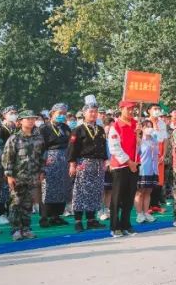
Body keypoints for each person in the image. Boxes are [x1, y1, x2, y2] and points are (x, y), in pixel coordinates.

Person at [1, 109, 45, 241]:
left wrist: (42, 171)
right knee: (16, 203)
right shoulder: (14, 138)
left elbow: (42, 157)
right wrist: (9, 176)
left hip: (32, 176)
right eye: (28, 119)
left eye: (33, 119)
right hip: (17, 176)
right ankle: (16, 230)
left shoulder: (39, 138)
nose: (31, 121)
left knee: (27, 204)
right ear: (20, 122)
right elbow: (7, 158)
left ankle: (26, 229)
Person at [67, 102, 108, 232]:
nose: (94, 114)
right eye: (91, 111)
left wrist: (105, 161)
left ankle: (92, 220)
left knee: (95, 191)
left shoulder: (100, 129)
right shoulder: (78, 130)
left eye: (95, 111)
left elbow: (103, 147)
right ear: (84, 113)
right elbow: (72, 148)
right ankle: (78, 221)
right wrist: (72, 165)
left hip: (98, 163)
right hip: (83, 163)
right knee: (80, 192)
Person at [106, 101, 140, 237]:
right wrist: (129, 161)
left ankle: (126, 224)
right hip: (120, 166)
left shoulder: (135, 125)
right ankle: (115, 226)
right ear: (121, 109)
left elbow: (139, 146)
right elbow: (114, 148)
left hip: (134, 165)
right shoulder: (115, 126)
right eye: (128, 109)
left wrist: (139, 137)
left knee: (129, 196)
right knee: (117, 197)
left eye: (133, 109)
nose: (131, 111)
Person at [39, 102, 72, 227]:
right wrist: (42, 162)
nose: (62, 116)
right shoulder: (44, 128)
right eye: (59, 113)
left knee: (62, 188)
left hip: (64, 160)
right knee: (48, 188)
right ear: (52, 114)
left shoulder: (65, 127)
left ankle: (56, 216)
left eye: (64, 114)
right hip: (50, 159)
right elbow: (40, 147)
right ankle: (44, 216)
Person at [136, 120, 159, 223]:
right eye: (147, 127)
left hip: (153, 169)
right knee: (140, 192)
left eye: (151, 126)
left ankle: (146, 212)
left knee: (148, 191)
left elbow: (157, 154)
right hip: (142, 170)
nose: (149, 128)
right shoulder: (140, 141)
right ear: (142, 128)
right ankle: (139, 213)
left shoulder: (154, 140)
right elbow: (136, 154)